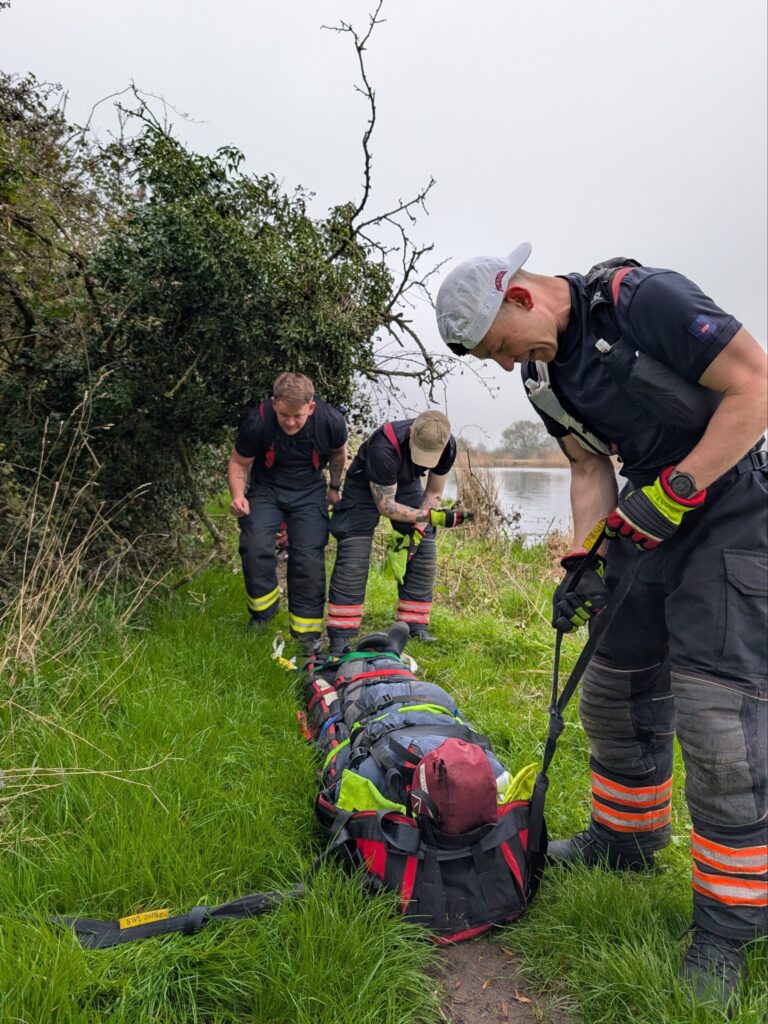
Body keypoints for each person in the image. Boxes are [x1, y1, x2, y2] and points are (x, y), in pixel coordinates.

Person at [435, 243, 767, 1004]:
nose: (500, 365)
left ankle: (729, 925)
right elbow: (589, 470)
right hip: (643, 522)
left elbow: (757, 388)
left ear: (518, 298)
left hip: (731, 515)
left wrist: (677, 490)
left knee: (720, 728)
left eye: (496, 347)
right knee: (613, 691)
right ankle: (627, 841)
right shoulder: (541, 377)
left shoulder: (640, 300)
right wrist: (587, 555)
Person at [227, 372, 348, 654]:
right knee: (255, 545)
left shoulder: (330, 421)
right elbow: (238, 462)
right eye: (284, 415)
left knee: (308, 558)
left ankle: (307, 634)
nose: (290, 422)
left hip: (308, 491)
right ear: (274, 403)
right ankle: (263, 613)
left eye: (297, 416)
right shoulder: (258, 422)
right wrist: (237, 496)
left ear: (311, 408)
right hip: (267, 489)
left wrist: (334, 486)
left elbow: (339, 454)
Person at [326, 411, 461, 654]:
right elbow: (386, 507)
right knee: (354, 554)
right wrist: (433, 517)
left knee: (424, 547)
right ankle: (341, 635)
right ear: (411, 436)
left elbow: (432, 493)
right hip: (366, 486)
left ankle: (415, 625)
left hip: (406, 484)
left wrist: (419, 530)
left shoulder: (448, 446)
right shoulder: (383, 446)